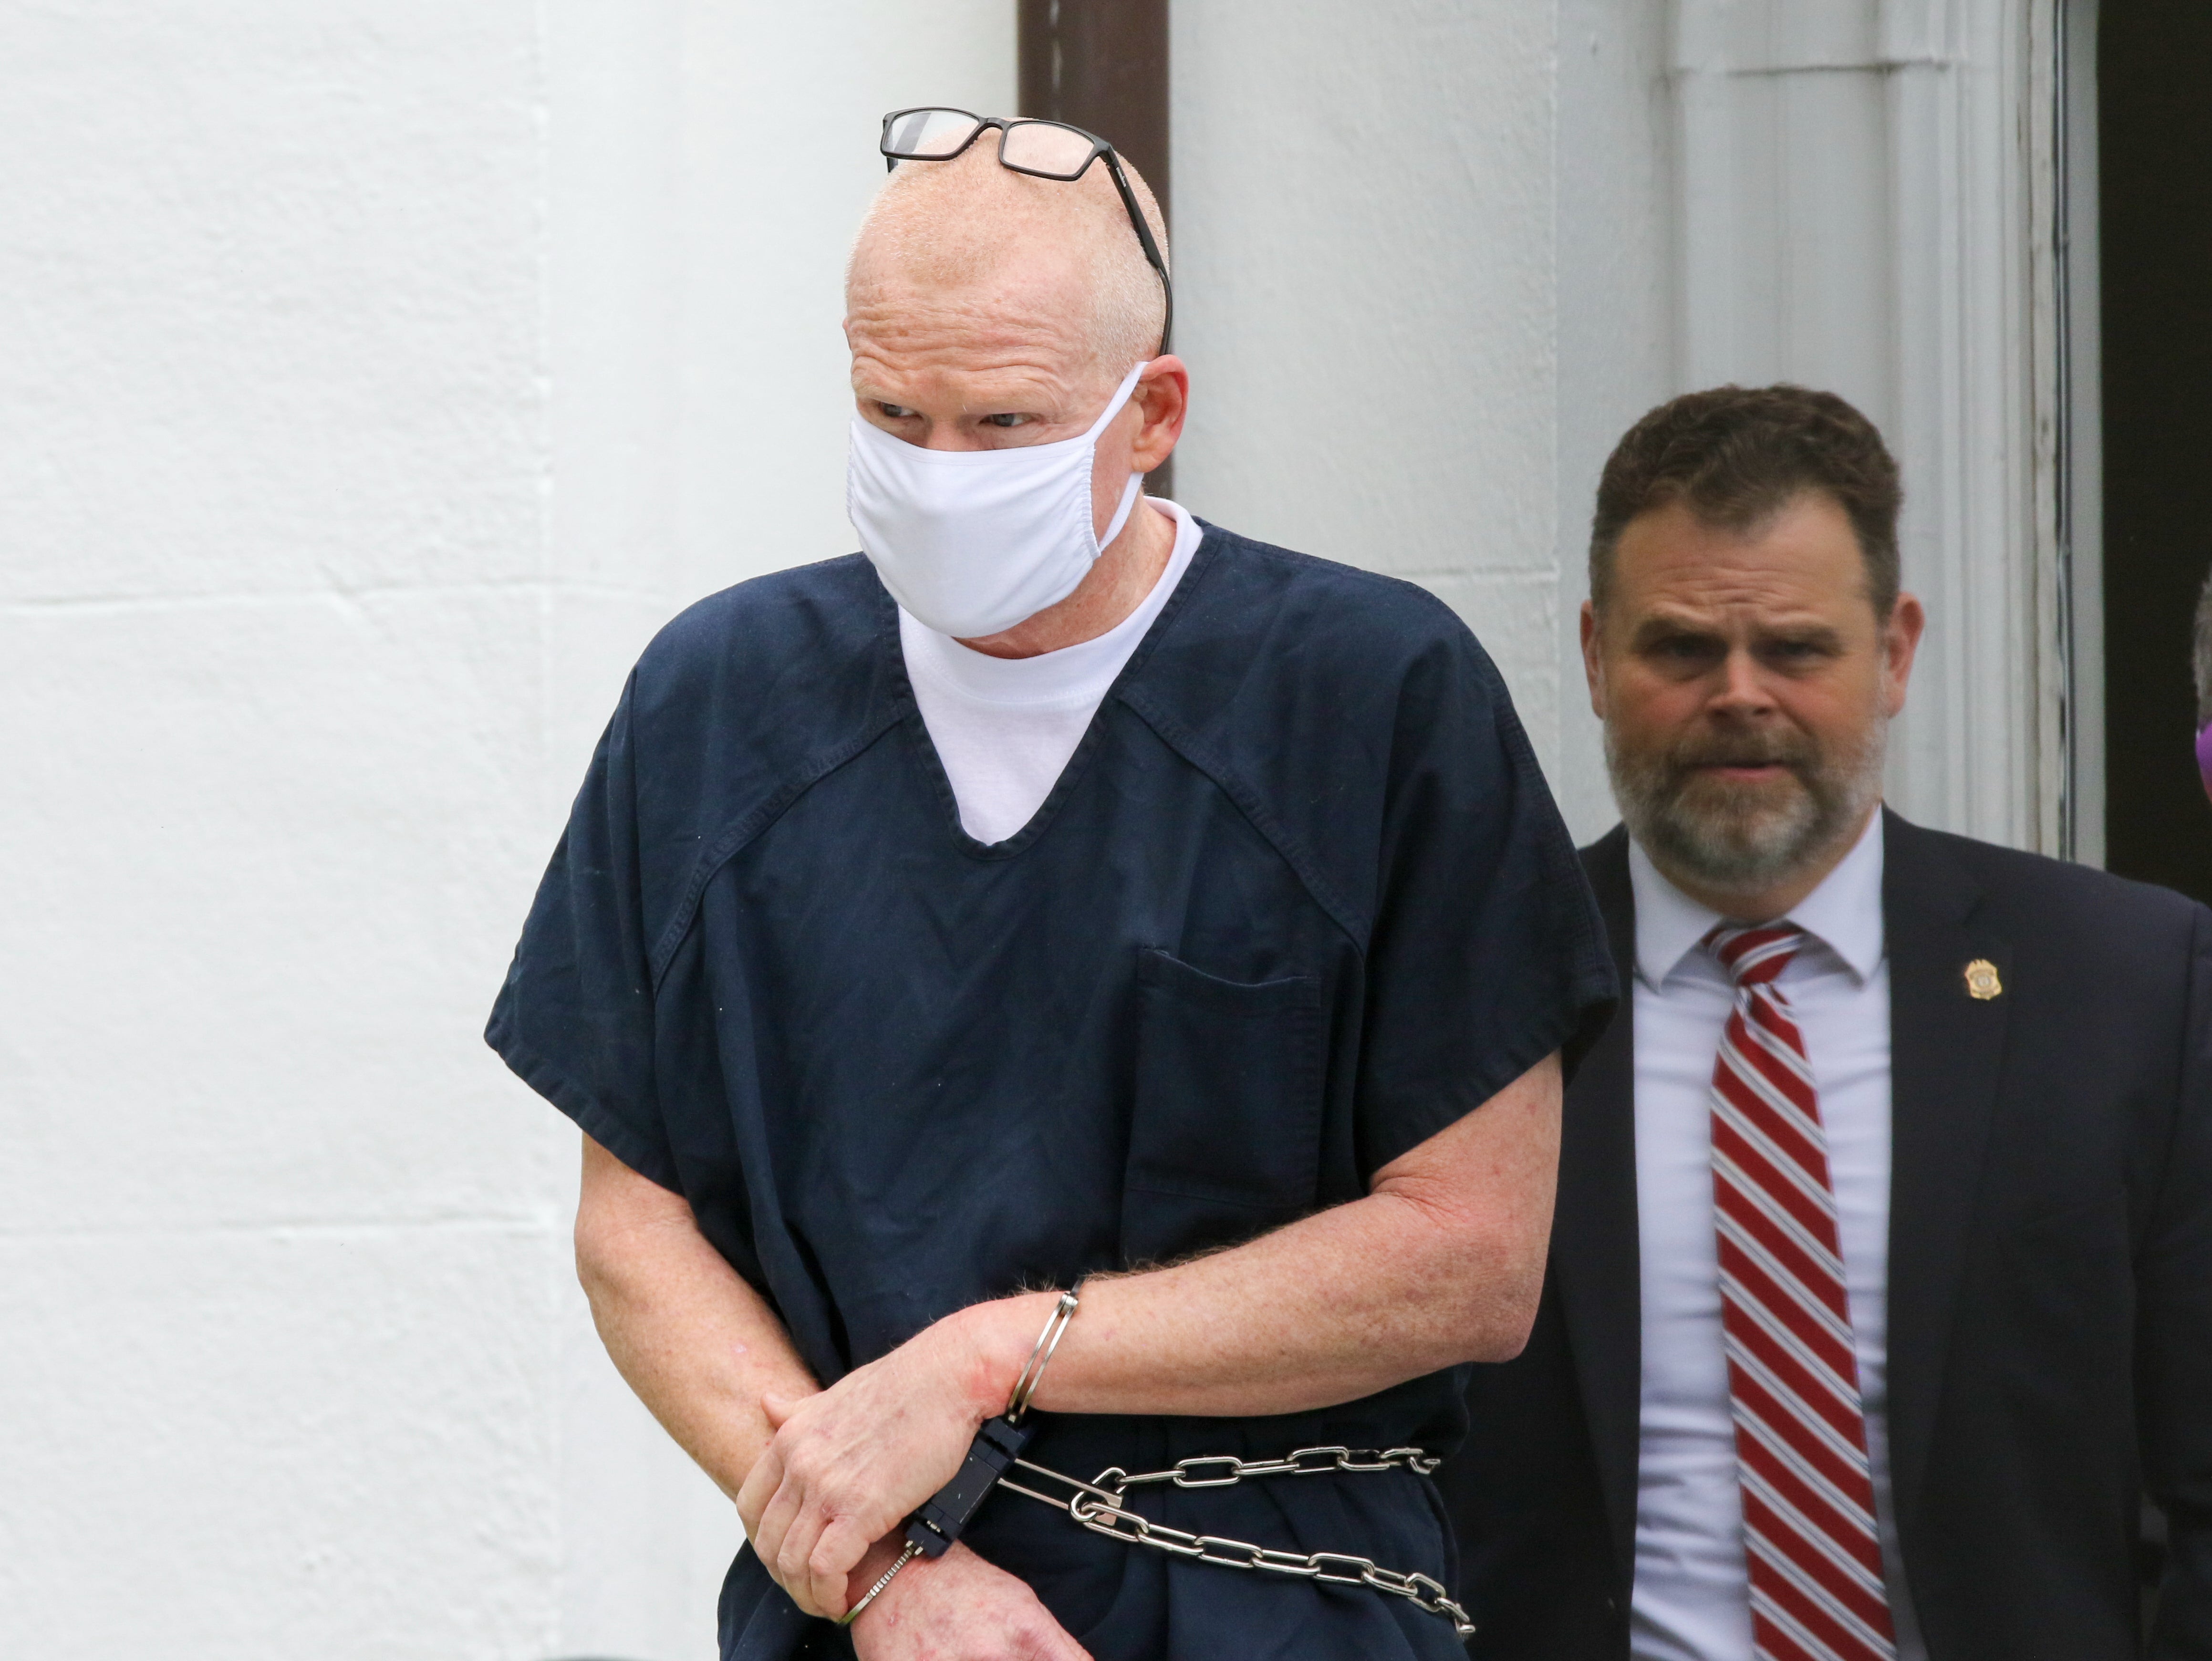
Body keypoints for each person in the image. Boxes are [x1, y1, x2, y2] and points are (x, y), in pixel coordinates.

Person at [488, 108, 1615, 1661]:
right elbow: (635, 1231)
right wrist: (880, 1576)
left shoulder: (1365, 699)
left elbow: (1470, 1257)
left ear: (1150, 411)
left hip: (1279, 1599)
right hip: (867, 1616)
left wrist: (994, 1354)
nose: (935, 473)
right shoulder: (721, 700)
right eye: (892, 412)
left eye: (1001, 425)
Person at [1436, 384, 2212, 1661]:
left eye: (1796, 649)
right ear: (1592, 654)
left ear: (1896, 650)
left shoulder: (2130, 983)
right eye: (1681, 649)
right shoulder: (1464, 991)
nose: (1740, 696)